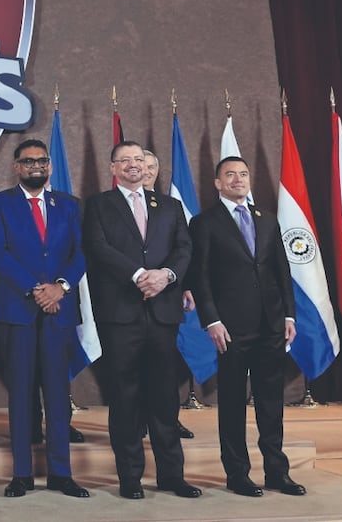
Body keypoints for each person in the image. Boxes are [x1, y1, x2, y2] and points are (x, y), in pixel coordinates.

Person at [81, 141, 200, 500]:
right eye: (125, 160)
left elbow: (184, 248)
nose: (133, 165)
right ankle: (130, 477)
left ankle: (171, 476)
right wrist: (137, 275)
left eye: (138, 159)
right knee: (125, 398)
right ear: (113, 168)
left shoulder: (170, 206)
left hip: (163, 312)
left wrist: (166, 275)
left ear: (148, 167)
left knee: (164, 398)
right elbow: (97, 247)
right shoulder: (98, 205)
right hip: (120, 314)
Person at [187, 156, 305, 497]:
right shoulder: (204, 223)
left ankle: (277, 472)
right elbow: (200, 276)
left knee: (271, 402)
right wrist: (211, 320)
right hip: (230, 328)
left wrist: (289, 315)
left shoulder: (266, 219)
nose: (238, 179)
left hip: (271, 323)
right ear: (218, 183)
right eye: (230, 175)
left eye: (243, 174)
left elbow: (281, 271)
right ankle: (237, 474)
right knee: (233, 404)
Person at [0, 140, 90, 499]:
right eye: (28, 161)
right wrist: (36, 290)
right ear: (17, 167)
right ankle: (22, 474)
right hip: (19, 311)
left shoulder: (69, 205)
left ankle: (61, 473)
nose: (36, 166)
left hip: (59, 312)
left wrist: (60, 288)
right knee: (21, 394)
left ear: (50, 166)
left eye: (42, 161)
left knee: (58, 395)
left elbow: (80, 252)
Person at [142, 149, 195, 441]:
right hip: (129, 298)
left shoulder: (171, 206)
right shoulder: (112, 206)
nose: (147, 171)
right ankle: (137, 423)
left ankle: (168, 422)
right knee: (132, 368)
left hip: (166, 296)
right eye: (142, 164)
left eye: (152, 166)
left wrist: (182, 284)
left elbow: (183, 248)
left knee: (165, 367)